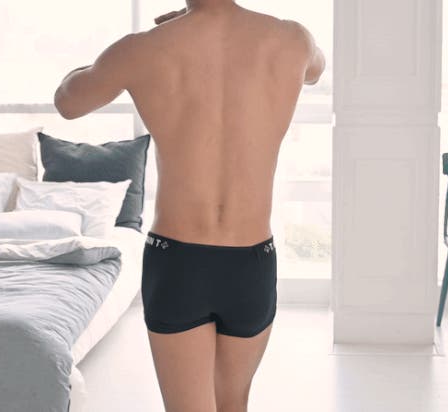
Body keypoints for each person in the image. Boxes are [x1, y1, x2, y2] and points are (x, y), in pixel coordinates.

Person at [54, 1, 325, 411]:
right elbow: (316, 70)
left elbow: (68, 102)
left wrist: (136, 48)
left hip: (178, 262)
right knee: (233, 403)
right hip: (251, 261)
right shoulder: (292, 38)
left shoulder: (142, 48)